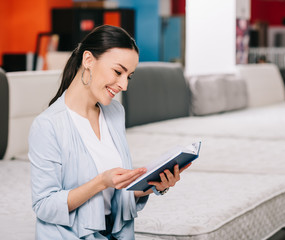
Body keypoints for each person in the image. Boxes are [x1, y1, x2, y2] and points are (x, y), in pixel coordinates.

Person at [28, 25, 190, 240]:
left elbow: (115, 195)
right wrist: (101, 182)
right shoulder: (47, 125)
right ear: (88, 60)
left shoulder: (114, 112)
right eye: (118, 72)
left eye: (129, 76)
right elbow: (44, 205)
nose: (124, 85)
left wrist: (153, 185)